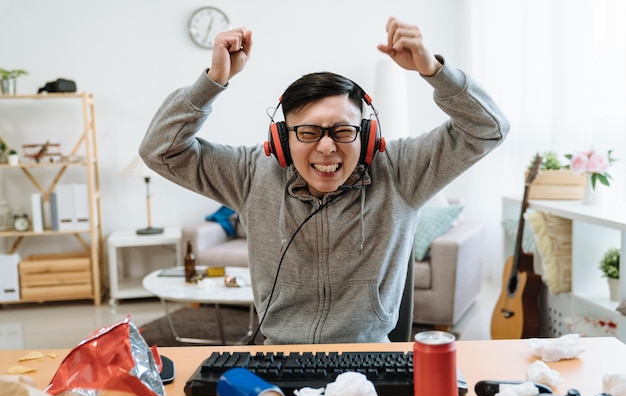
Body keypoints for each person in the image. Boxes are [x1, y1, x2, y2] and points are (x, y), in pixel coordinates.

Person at [139, 17, 510, 345]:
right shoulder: (250, 173)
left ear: (367, 136)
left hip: (370, 356)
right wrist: (212, 82)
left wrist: (434, 71)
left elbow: (489, 129)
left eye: (343, 130)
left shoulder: (399, 170)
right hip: (279, 354)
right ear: (282, 140)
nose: (328, 147)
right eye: (309, 131)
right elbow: (159, 150)